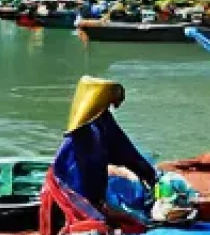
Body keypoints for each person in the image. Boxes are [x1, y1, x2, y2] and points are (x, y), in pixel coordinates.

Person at [51, 76, 157, 210]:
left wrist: (150, 176)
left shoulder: (104, 122)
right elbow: (76, 178)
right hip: (77, 199)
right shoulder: (78, 137)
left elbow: (127, 152)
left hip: (97, 195)